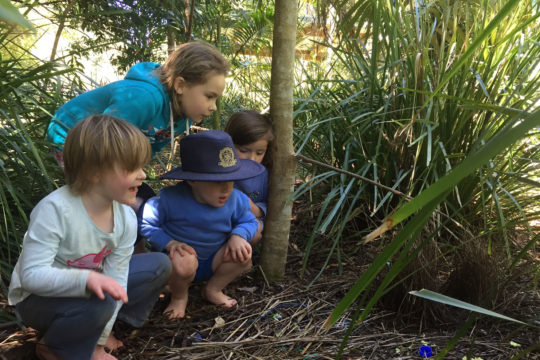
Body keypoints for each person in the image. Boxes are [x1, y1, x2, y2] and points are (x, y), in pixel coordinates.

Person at [8, 115, 172, 360]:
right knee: (102, 297)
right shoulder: (55, 210)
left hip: (91, 292)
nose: (142, 175)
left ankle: (89, 331)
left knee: (158, 265)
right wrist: (86, 280)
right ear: (94, 172)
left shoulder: (125, 217)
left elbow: (117, 277)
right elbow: (31, 277)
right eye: (131, 168)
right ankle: (55, 346)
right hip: (37, 299)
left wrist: (100, 339)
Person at [47, 40, 229, 253]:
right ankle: (88, 257)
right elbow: (101, 140)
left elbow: (146, 149)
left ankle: (137, 259)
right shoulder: (143, 99)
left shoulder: (184, 116)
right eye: (209, 96)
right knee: (104, 202)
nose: (213, 107)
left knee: (142, 202)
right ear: (180, 85)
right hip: (71, 137)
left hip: (113, 152)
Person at [140, 130, 265, 319]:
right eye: (216, 182)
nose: (226, 189)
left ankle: (213, 289)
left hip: (215, 258)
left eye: (230, 180)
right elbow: (146, 223)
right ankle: (179, 297)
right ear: (192, 180)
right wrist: (169, 243)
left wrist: (238, 236)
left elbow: (248, 220)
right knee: (184, 262)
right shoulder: (171, 199)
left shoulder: (236, 199)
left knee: (243, 255)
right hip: (179, 262)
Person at [224, 110, 273, 244]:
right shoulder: (220, 170)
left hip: (249, 221)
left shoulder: (265, 174)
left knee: (254, 231)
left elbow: (274, 204)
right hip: (219, 219)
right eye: (244, 151)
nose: (252, 158)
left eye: (259, 152)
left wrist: (258, 210)